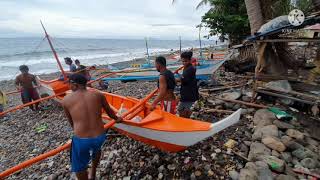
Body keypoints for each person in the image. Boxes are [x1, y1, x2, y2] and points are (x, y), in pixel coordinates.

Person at [61, 74, 122, 180]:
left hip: (82, 139)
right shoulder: (98, 94)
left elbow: (72, 123)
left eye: (69, 84)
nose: (68, 87)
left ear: (74, 84)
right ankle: (93, 172)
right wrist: (117, 119)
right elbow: (110, 112)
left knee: (79, 167)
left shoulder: (66, 100)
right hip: (100, 136)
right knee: (96, 150)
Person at [176, 51, 199, 118]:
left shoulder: (190, 69)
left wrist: (174, 80)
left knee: (181, 109)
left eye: (185, 61)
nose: (184, 63)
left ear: (190, 60)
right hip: (188, 92)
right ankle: (187, 119)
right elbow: (184, 78)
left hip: (189, 93)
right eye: (182, 61)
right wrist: (178, 75)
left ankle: (186, 121)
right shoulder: (187, 67)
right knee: (184, 109)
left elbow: (184, 80)